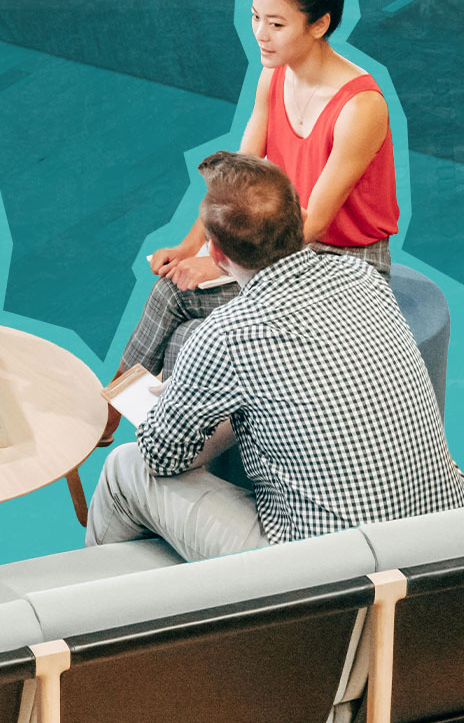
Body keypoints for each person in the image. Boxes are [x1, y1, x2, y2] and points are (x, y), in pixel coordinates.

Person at [87, 152, 464, 562]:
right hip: (441, 539)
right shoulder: (365, 279)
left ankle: (96, 608)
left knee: (124, 469)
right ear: (301, 216)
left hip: (325, 572)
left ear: (216, 256)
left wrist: (183, 398)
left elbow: (161, 456)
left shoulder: (226, 335)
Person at [103, 0, 399, 443]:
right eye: (256, 17)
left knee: (193, 339)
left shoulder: (361, 106)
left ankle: (167, 448)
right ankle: (104, 421)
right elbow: (234, 183)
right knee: (170, 287)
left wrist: (221, 263)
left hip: (344, 263)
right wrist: (190, 246)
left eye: (277, 24)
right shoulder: (274, 75)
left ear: (320, 24)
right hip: (277, 242)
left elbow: (312, 226)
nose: (261, 34)